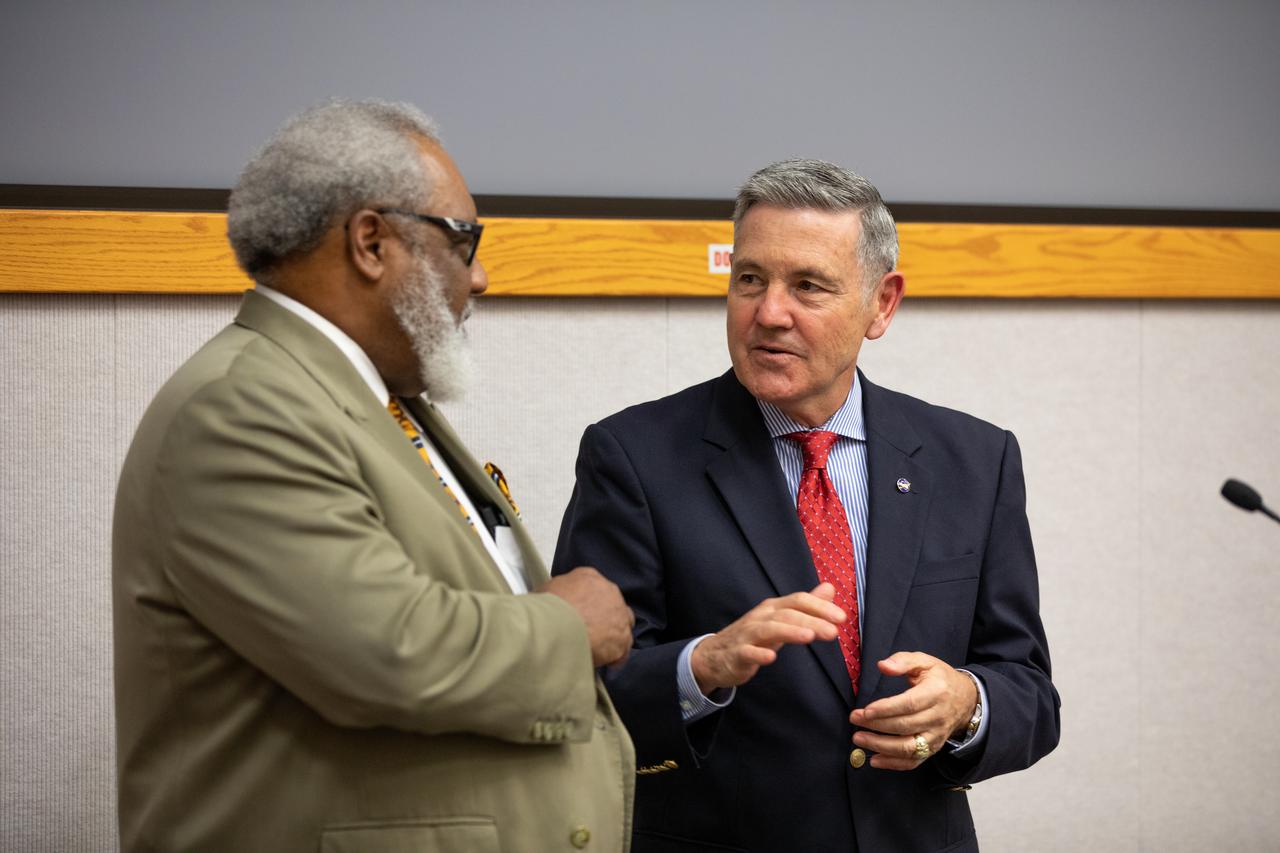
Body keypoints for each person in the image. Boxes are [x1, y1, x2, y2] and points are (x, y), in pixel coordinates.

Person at [112, 99, 636, 853]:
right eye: (464, 240)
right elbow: (389, 650)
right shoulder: (239, 408)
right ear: (370, 241)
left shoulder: (368, 392)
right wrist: (569, 626)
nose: (480, 276)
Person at [552, 159, 1059, 852]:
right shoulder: (633, 456)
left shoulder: (974, 459)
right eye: (750, 279)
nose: (768, 313)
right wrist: (702, 665)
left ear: (881, 304)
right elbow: (578, 692)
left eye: (808, 286)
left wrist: (968, 705)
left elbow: (1029, 689)